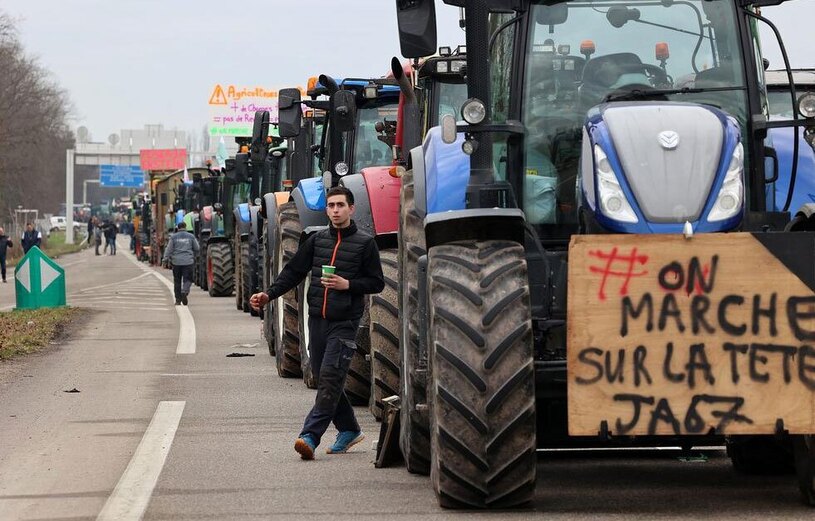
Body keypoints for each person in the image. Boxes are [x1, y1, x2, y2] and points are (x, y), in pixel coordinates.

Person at [250, 186, 384, 460]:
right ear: (327, 210)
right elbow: (293, 272)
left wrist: (348, 284)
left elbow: (377, 283)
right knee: (326, 378)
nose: (335, 210)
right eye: (331, 206)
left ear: (351, 209)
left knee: (331, 378)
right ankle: (349, 429)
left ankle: (310, 435)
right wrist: (268, 294)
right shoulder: (317, 240)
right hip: (317, 321)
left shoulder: (365, 243)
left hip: (345, 322)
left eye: (340, 206)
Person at [162, 221, 199, 305]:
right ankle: (184, 291)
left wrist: (165, 260)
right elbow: (197, 248)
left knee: (177, 281)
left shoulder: (173, 237)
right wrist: (194, 256)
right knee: (188, 279)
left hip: (176, 262)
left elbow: (169, 250)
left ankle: (178, 300)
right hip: (188, 262)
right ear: (185, 227)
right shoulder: (191, 236)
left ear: (177, 228)